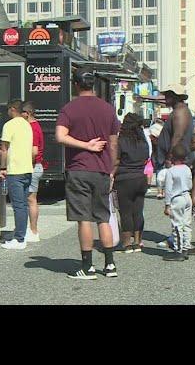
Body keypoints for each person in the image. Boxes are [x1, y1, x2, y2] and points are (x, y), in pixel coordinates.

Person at [56, 67, 120, 279]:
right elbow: (113, 142)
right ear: (93, 84)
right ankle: (110, 265)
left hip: (79, 169)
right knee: (103, 217)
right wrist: (111, 169)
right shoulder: (108, 109)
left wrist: (85, 145)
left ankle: (87, 267)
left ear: (75, 84)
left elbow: (60, 136)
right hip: (102, 169)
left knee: (84, 219)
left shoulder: (69, 109)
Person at [112, 113, 150, 253]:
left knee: (125, 211)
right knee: (138, 211)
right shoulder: (143, 141)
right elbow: (147, 157)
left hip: (124, 178)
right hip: (141, 177)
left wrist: (111, 175)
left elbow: (116, 160)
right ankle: (138, 242)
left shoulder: (121, 140)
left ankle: (126, 243)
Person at [0, 99, 33, 250]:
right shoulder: (27, 125)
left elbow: (4, 148)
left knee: (18, 206)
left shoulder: (9, 125)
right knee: (24, 205)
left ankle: (19, 239)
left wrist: (2, 166)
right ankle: (22, 234)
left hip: (15, 169)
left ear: (13, 109)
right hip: (27, 169)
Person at [154, 84, 194, 172]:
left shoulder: (180, 112)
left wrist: (170, 158)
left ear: (175, 97)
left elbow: (178, 136)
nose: (165, 98)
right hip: (172, 161)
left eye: (168, 95)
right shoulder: (177, 111)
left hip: (175, 162)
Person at [162, 143, 193, 261]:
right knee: (187, 223)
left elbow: (168, 189)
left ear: (172, 156)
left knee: (177, 224)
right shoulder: (187, 169)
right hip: (187, 196)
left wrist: (167, 204)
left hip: (177, 198)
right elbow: (190, 183)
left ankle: (178, 250)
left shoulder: (171, 171)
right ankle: (186, 247)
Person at [21, 101, 45, 242]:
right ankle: (30, 229)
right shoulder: (34, 126)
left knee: (31, 200)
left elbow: (34, 151)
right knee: (30, 199)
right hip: (35, 165)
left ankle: (33, 231)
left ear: (28, 113)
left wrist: (26, 164)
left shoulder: (32, 128)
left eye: (22, 112)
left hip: (33, 166)